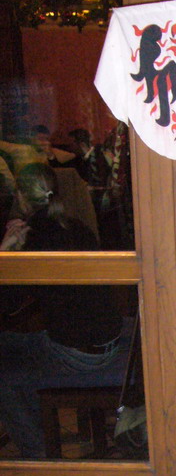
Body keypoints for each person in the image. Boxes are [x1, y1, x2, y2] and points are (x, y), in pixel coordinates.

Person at [0, 163, 124, 459]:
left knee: (7, 375)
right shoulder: (75, 227)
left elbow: (7, 304)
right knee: (13, 347)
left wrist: (6, 252)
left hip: (81, 355)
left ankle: (39, 456)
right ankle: (43, 439)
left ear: (21, 196)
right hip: (109, 340)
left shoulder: (33, 238)